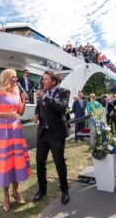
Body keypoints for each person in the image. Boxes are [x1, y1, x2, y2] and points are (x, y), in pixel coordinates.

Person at [0, 68, 32, 212]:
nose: (15, 79)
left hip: (16, 130)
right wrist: (7, 114)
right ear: (6, 78)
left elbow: (20, 112)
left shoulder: (16, 92)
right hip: (3, 131)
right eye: (13, 77)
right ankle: (6, 196)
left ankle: (15, 191)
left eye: (16, 77)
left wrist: (24, 101)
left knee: (16, 162)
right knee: (6, 163)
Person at [32, 70, 70, 205]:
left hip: (57, 134)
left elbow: (61, 108)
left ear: (54, 81)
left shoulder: (64, 92)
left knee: (59, 162)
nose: (43, 81)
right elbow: (38, 108)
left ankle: (65, 189)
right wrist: (37, 115)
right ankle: (42, 189)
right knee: (40, 162)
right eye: (43, 79)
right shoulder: (42, 92)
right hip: (43, 133)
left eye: (46, 79)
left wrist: (45, 96)